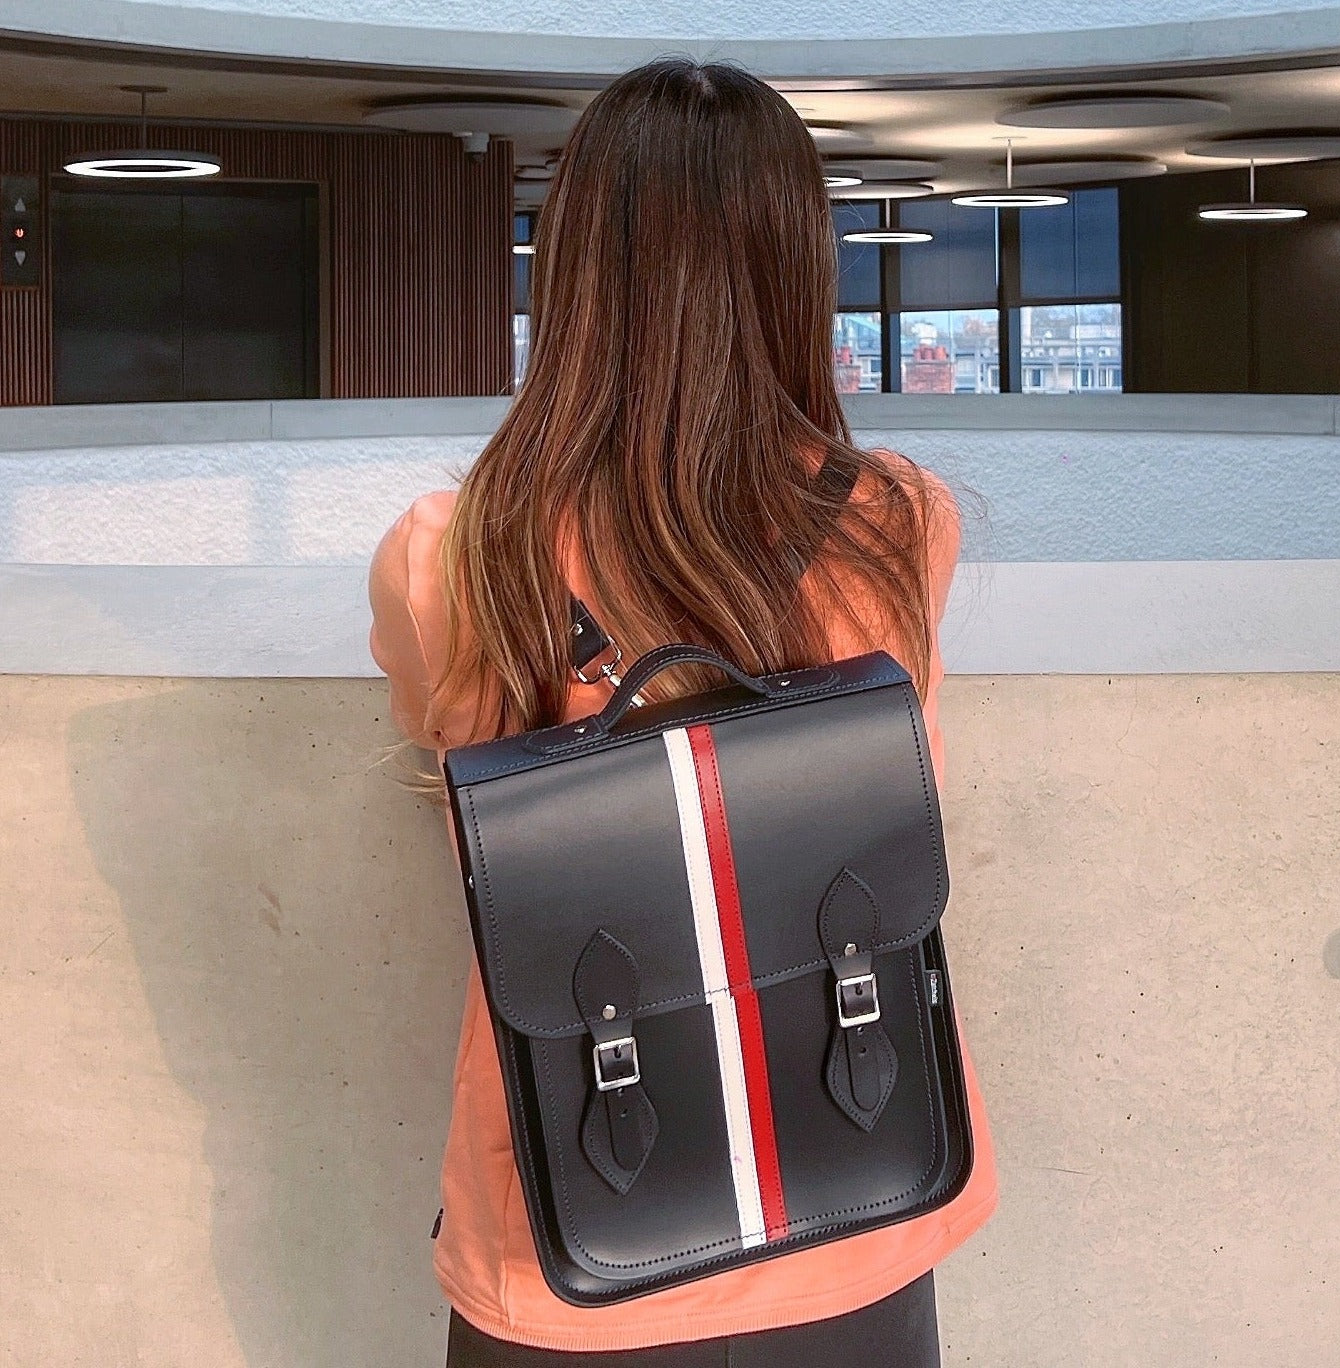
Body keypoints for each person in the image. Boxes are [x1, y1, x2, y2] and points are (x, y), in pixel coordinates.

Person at [368, 57, 997, 1367]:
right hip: (854, 1188)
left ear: (578, 267)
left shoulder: (453, 556)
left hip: (576, 1216)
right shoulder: (895, 525)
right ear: (793, 265)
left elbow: (444, 761)